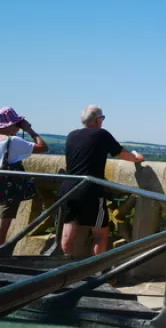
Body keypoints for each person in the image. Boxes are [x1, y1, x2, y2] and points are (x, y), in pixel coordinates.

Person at [60, 105, 145, 256]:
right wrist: (137, 158)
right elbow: (121, 153)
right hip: (90, 189)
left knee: (68, 231)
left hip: (69, 187)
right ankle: (96, 272)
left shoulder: (71, 135)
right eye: (102, 118)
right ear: (98, 120)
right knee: (100, 234)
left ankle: (65, 270)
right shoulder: (101, 134)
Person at [0, 107, 48, 245]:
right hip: (6, 190)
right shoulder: (12, 141)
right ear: (10, 125)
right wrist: (29, 130)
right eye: (17, 124)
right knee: (2, 228)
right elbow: (43, 147)